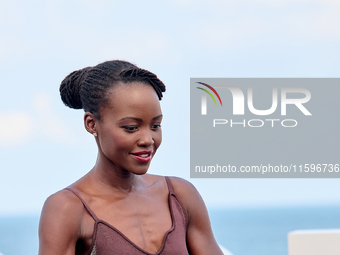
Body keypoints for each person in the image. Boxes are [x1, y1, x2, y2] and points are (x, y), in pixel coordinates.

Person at [38, 60, 223, 255]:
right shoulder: (68, 208)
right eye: (131, 128)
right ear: (92, 124)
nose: (148, 140)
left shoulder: (180, 195)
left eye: (155, 126)